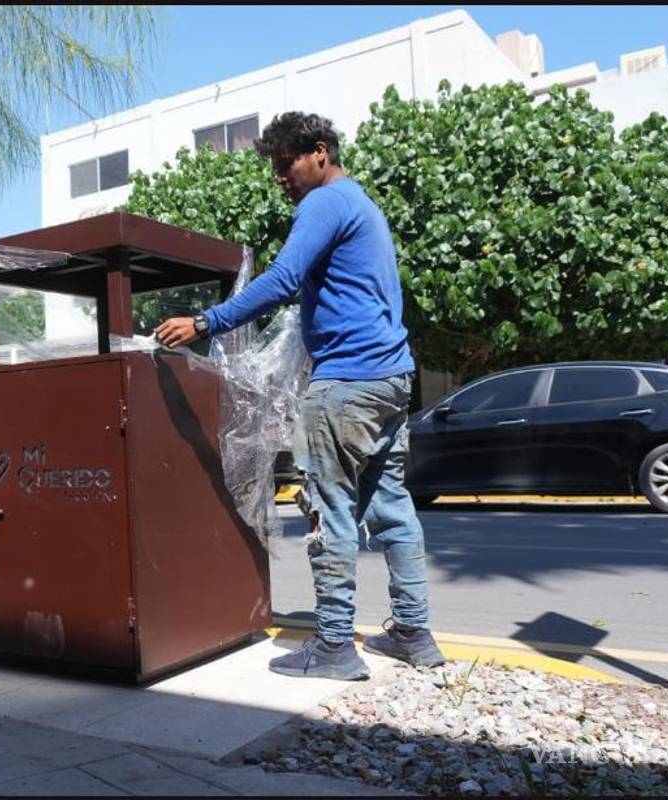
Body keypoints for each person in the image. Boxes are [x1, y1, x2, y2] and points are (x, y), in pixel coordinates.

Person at [156, 112, 444, 681]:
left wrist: (205, 322)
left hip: (348, 381)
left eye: (284, 165)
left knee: (329, 509)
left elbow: (285, 278)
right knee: (391, 507)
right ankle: (414, 633)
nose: (279, 178)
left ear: (318, 153)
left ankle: (334, 646)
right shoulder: (363, 204)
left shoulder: (325, 204)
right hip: (391, 378)